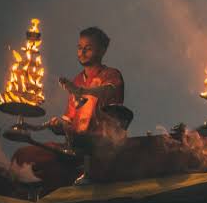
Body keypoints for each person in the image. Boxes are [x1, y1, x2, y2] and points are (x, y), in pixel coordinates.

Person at [10, 27, 125, 192]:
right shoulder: (77, 80)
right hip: (73, 148)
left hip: (98, 149)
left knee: (42, 168)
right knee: (23, 156)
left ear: (102, 50)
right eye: (79, 47)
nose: (82, 52)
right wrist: (48, 125)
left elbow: (109, 91)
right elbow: (69, 119)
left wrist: (81, 91)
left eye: (88, 48)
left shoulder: (111, 75)